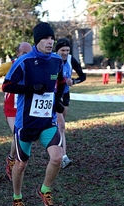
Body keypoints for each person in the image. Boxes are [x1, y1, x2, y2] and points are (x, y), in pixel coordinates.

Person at [1, 22, 66, 206]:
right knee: (21, 165)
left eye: (52, 38)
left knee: (57, 158)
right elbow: (6, 86)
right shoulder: (24, 62)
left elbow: (60, 81)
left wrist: (57, 101)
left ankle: (44, 190)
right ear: (37, 40)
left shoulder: (56, 60)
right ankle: (17, 198)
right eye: (46, 38)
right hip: (26, 123)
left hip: (47, 121)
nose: (50, 42)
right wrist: (30, 88)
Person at [0, 42, 32, 181]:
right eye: (24, 53)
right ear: (17, 54)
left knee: (23, 137)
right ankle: (12, 162)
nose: (27, 56)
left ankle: (11, 158)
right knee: (18, 134)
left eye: (29, 53)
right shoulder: (8, 66)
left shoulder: (32, 66)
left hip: (26, 108)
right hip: (11, 110)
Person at [54, 38, 86, 169]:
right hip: (53, 95)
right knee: (60, 126)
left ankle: (58, 153)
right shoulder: (51, 59)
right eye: (62, 50)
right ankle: (62, 157)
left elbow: (82, 76)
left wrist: (74, 81)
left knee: (60, 127)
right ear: (57, 50)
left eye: (67, 50)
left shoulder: (71, 60)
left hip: (65, 95)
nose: (65, 53)